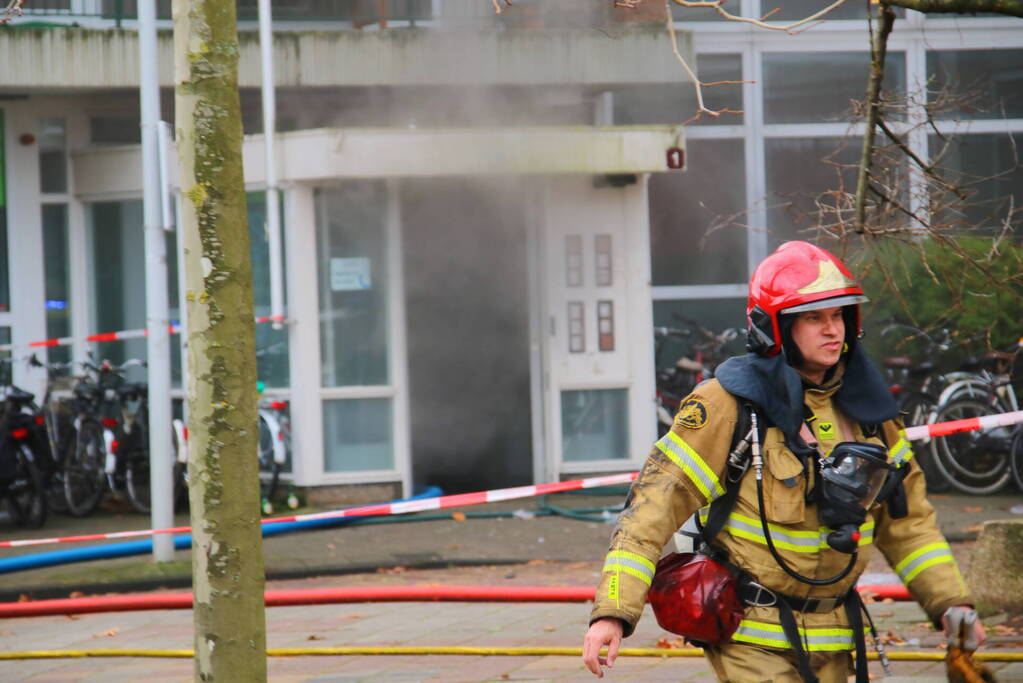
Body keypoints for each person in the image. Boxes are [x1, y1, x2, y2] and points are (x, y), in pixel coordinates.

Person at [582, 241, 984, 682]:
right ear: (774, 327)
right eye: (814, 317)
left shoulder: (872, 416)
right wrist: (613, 612)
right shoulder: (726, 406)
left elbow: (910, 525)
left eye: (839, 315)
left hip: (836, 640)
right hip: (751, 637)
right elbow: (650, 510)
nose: (833, 330)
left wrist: (952, 604)